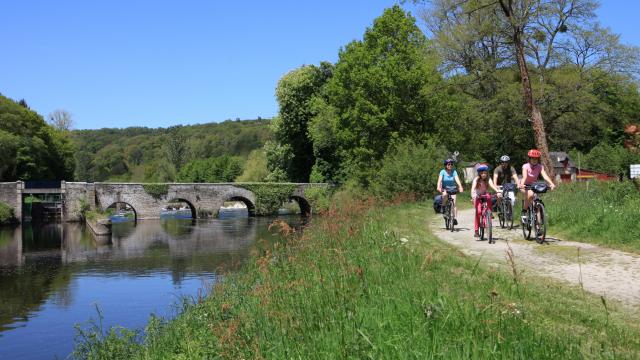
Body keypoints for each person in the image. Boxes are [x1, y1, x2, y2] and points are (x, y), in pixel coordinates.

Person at [519, 149, 555, 222]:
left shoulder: (540, 167)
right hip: (525, 185)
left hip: (533, 185)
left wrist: (551, 184)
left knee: (536, 200)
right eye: (533, 158)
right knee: (530, 194)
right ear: (529, 159)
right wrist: (522, 184)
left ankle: (538, 224)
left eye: (536, 159)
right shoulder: (525, 166)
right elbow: (525, 177)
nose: (534, 160)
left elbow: (545, 176)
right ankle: (524, 211)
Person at [471, 164, 501, 238]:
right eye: (481, 173)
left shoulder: (488, 179)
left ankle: (489, 213)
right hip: (477, 196)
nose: (483, 174)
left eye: (485, 173)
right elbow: (473, 188)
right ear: (479, 173)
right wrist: (473, 195)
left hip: (484, 194)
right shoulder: (476, 179)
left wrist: (498, 191)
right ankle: (476, 230)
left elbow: (492, 185)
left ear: (487, 173)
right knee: (478, 212)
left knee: (488, 197)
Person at [437, 158, 464, 225]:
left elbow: (457, 179)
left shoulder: (454, 172)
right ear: (446, 165)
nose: (450, 165)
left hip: (452, 188)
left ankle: (454, 218)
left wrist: (460, 186)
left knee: (454, 203)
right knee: (445, 195)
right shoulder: (442, 172)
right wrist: (438, 187)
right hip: (445, 188)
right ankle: (443, 207)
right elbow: (439, 180)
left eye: (451, 164)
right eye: (449, 164)